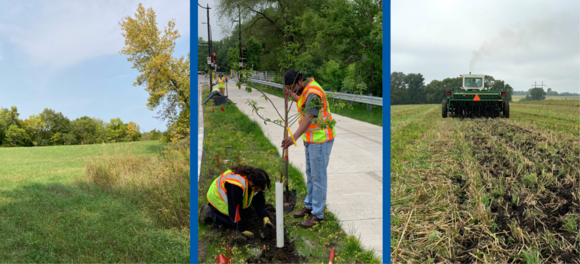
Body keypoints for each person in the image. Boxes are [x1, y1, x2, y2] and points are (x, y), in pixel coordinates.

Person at [281, 69, 336, 228]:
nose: (292, 90)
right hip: (311, 140)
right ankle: (310, 205)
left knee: (318, 178)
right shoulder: (306, 90)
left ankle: (317, 214)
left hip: (320, 140)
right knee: (311, 174)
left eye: (292, 87)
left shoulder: (314, 92)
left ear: (299, 80)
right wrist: (291, 96)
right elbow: (302, 101)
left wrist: (294, 138)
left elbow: (309, 115)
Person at [199, 165, 274, 240]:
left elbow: (258, 201)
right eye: (261, 188)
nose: (262, 190)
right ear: (252, 183)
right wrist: (242, 229)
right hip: (217, 198)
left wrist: (265, 217)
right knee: (232, 222)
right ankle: (209, 212)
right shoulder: (236, 185)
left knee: (248, 212)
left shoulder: (254, 183)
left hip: (232, 198)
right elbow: (235, 208)